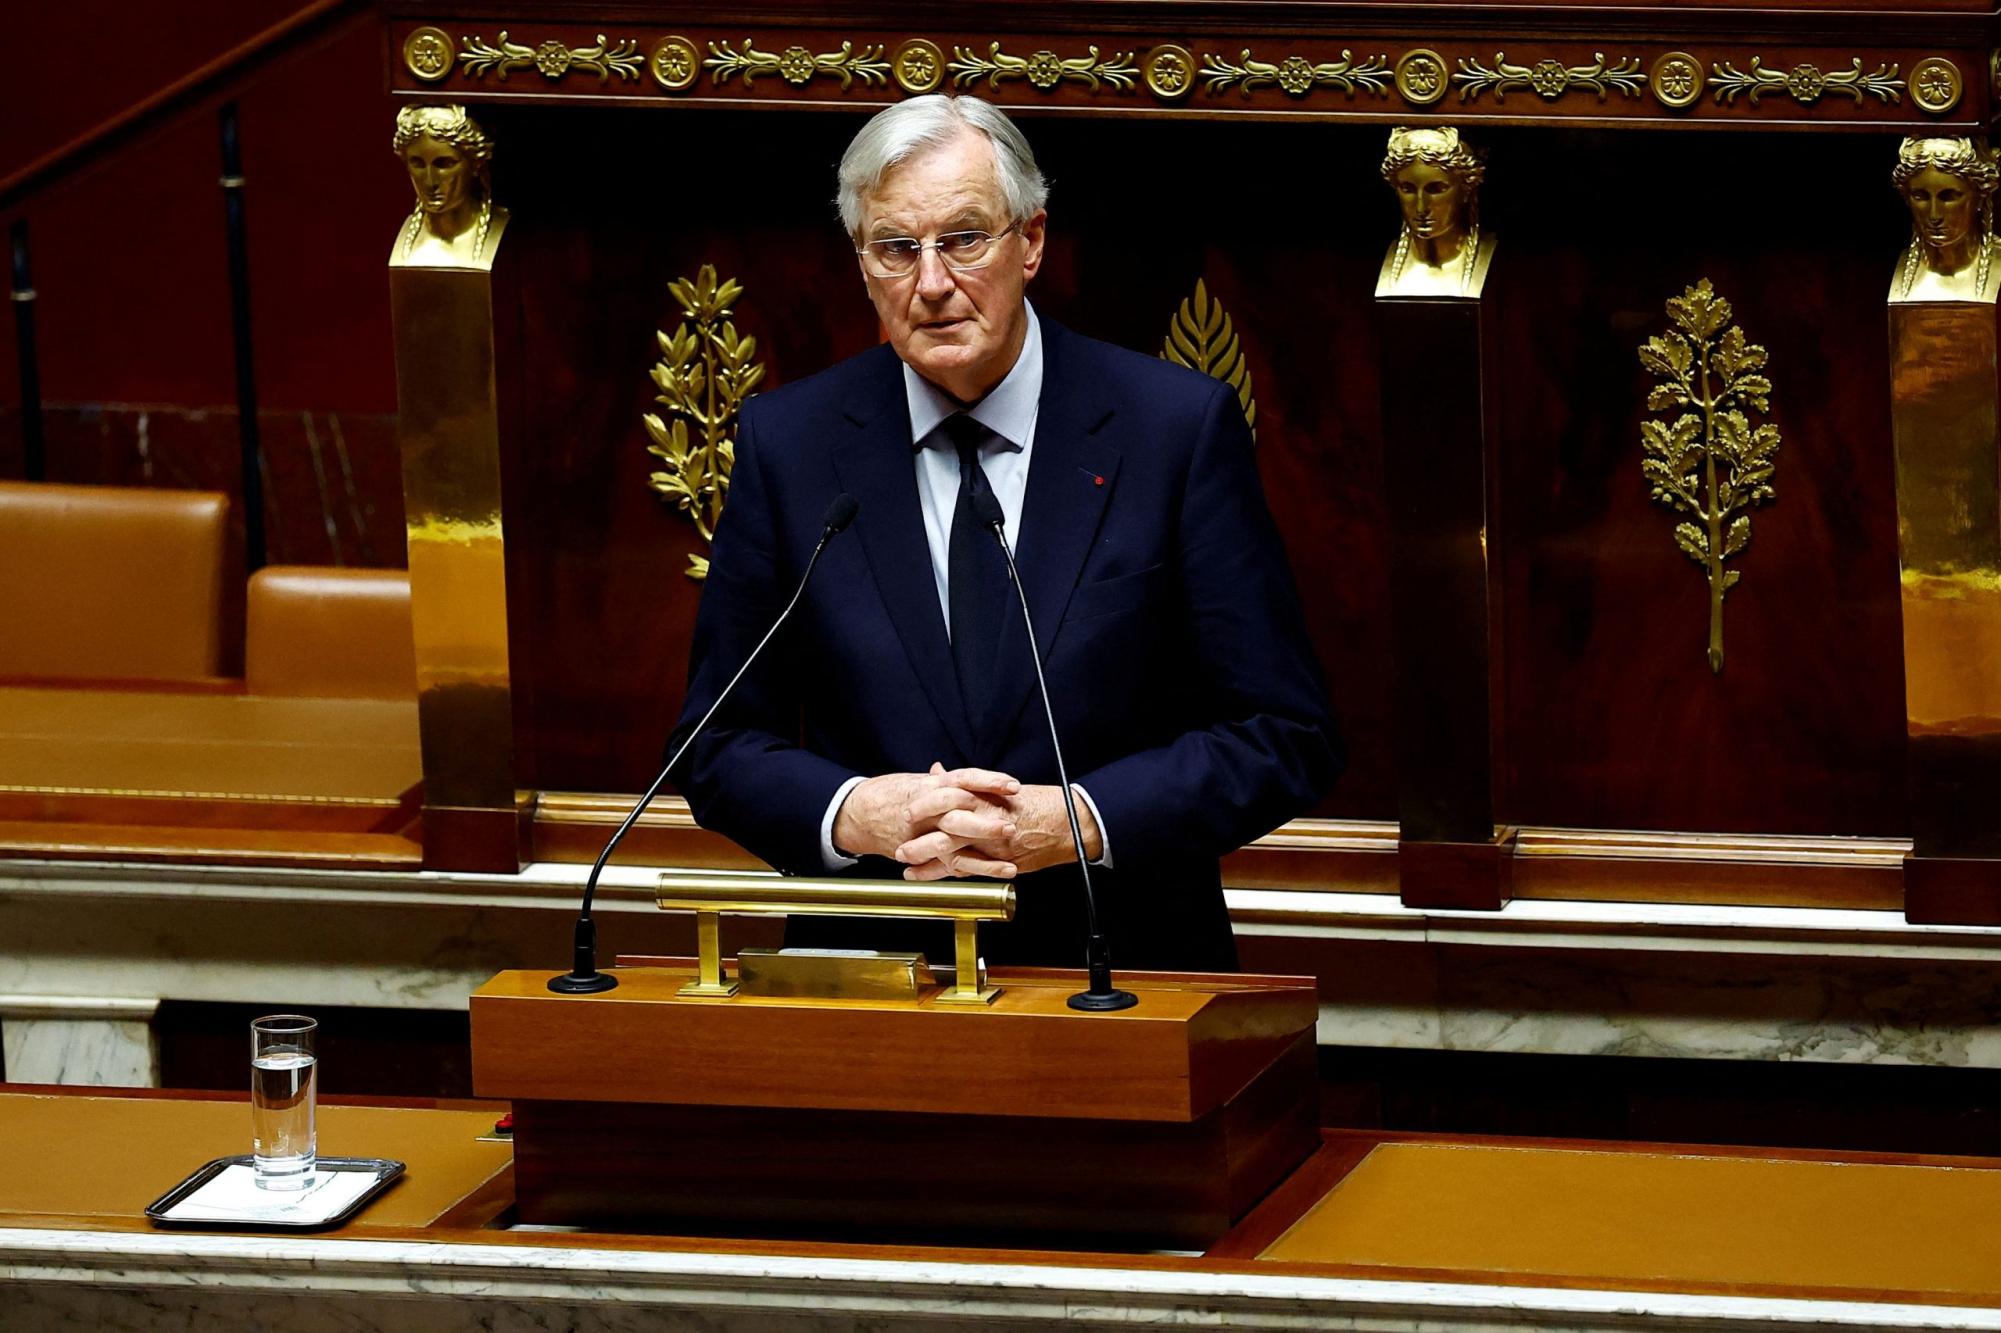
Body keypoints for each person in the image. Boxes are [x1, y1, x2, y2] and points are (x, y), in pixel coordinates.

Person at [673, 94, 1340, 971]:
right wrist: (854, 811)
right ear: (861, 266)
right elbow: (714, 745)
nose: (932, 283)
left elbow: (1282, 733)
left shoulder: (1171, 430)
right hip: (872, 974)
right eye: (896, 249)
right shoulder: (789, 444)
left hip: (1121, 968)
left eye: (963, 238)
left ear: (1029, 242)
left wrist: (1079, 820)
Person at [1377, 126, 1495, 299]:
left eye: (1436, 189)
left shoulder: (1495, 260)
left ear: (1466, 189)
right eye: (1407, 189)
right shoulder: (1379, 262)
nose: (1421, 207)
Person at [389, 104, 508, 269]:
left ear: (475, 164)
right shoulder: (406, 241)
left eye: (444, 164)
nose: (430, 182)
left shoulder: (498, 226)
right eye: (418, 163)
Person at [1891, 135, 2000, 302]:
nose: (1934, 215)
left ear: (1980, 197)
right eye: (1921, 196)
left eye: (1948, 197)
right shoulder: (1903, 270)